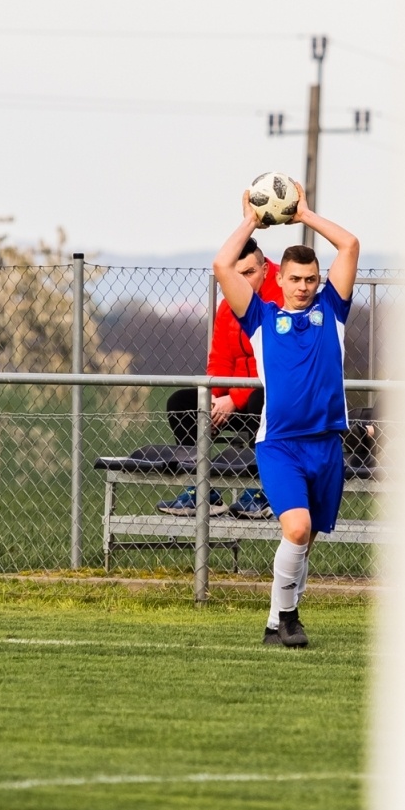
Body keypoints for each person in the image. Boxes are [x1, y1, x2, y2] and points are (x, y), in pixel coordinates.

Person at [212, 184, 359, 648]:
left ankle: (277, 624)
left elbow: (350, 245)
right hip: (279, 445)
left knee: (304, 540)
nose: (302, 286)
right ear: (279, 280)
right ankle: (289, 616)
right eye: (295, 279)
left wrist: (305, 214)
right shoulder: (259, 319)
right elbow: (222, 265)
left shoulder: (332, 312)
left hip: (326, 445)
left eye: (310, 280)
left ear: (319, 282)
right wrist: (254, 221)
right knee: (295, 528)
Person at [158, 236, 277, 519]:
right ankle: (201, 491)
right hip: (235, 399)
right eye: (236, 276)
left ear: (265, 270)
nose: (243, 282)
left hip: (264, 397)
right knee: (183, 403)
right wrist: (213, 398)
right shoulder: (227, 306)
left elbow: (275, 364)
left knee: (262, 398)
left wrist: (234, 399)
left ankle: (267, 489)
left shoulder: (282, 301)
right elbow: (220, 359)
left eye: (249, 273)